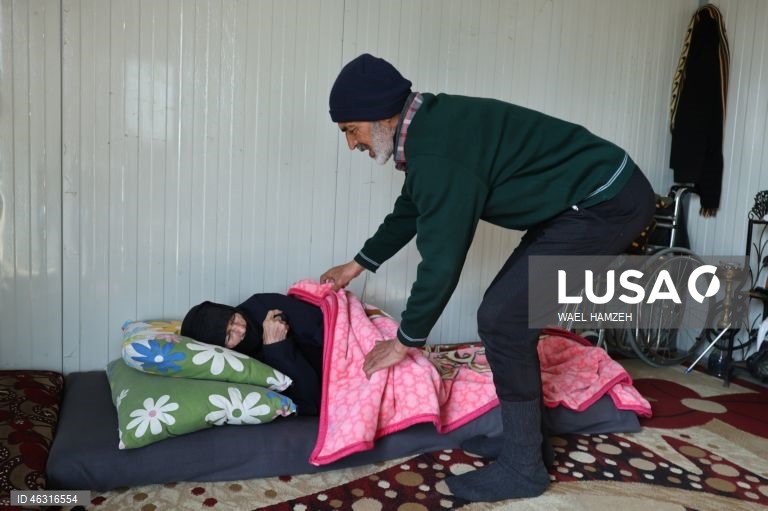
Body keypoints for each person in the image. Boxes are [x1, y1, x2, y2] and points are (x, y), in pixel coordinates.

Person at [319, 53, 656, 503]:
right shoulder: (428, 131)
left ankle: (523, 467)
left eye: (350, 130)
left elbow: (441, 261)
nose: (351, 144)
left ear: (381, 114)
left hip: (605, 202)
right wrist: (357, 265)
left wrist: (404, 341)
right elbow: (411, 209)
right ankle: (527, 445)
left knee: (503, 319)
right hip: (577, 204)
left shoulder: (436, 151)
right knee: (505, 316)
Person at [180, 293, 324, 416]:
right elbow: (310, 403)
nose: (241, 329)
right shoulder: (237, 368)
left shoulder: (264, 307)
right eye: (229, 336)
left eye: (233, 319)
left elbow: (328, 332)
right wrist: (276, 348)